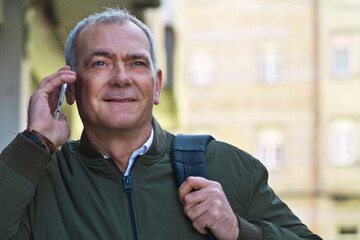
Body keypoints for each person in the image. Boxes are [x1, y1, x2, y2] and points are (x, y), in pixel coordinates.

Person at [0, 8, 322, 240]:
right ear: (70, 87)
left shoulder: (224, 166)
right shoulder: (39, 179)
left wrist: (240, 231)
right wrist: (36, 141)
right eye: (100, 62)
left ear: (156, 85)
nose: (122, 78)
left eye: (136, 63)